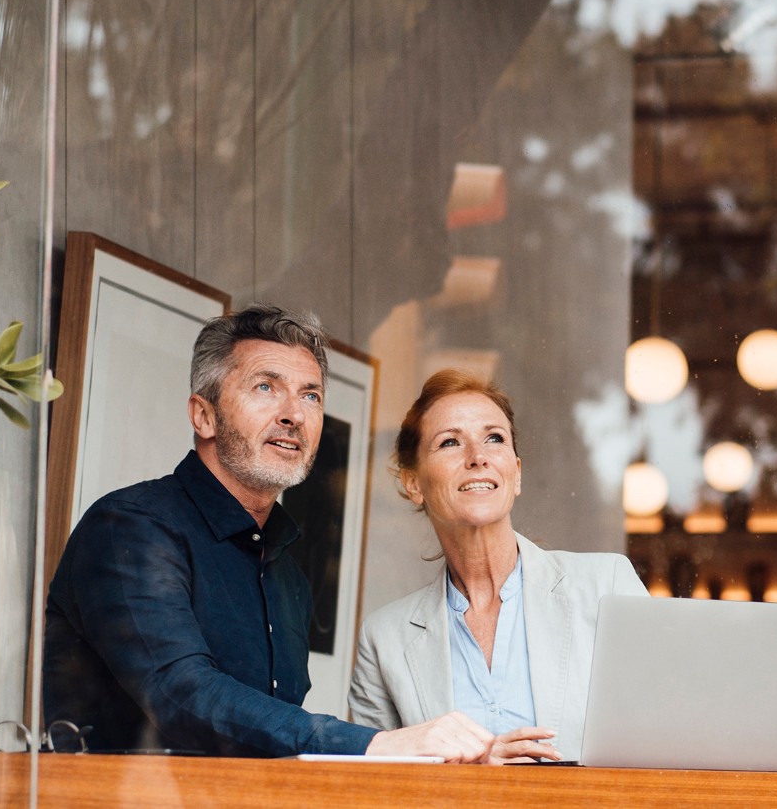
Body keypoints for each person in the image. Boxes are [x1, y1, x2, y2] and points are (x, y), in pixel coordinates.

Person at [42, 305, 496, 761]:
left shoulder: (288, 576)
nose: (294, 414)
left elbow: (270, 741)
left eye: (311, 396)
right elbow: (181, 696)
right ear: (204, 416)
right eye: (265, 387)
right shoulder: (130, 529)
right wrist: (376, 743)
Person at [347, 369, 777, 769]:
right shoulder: (385, 639)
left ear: (516, 473)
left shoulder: (605, 584)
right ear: (413, 483)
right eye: (450, 443)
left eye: (494, 439)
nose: (478, 458)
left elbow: (674, 722)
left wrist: (774, 750)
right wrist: (470, 770)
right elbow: (371, 785)